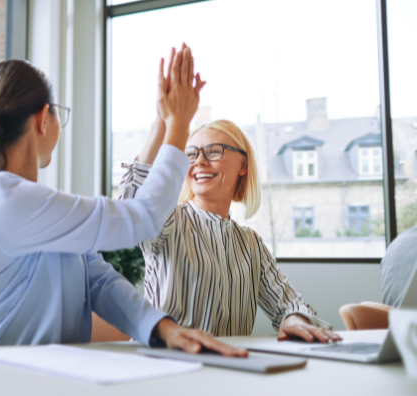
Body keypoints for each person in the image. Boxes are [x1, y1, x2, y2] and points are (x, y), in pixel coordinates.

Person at [0, 46, 245, 356]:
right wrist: (180, 125)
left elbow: (99, 281)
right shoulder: (4, 198)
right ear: (42, 120)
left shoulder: (30, 205)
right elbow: (143, 217)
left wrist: (165, 329)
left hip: (39, 378)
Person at [119, 53, 341, 343]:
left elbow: (288, 302)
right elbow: (130, 207)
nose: (198, 162)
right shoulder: (170, 220)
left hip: (230, 370)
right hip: (165, 367)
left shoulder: (250, 244)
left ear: (243, 165)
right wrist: (162, 126)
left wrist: (293, 319)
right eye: (191, 154)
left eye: (213, 151)